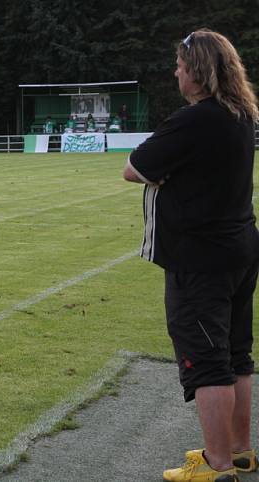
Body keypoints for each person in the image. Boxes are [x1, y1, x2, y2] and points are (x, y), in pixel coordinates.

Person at [123, 29, 259, 482]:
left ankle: (218, 466)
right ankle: (239, 452)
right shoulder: (241, 114)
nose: (175, 72)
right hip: (238, 250)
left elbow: (134, 168)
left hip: (201, 261)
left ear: (198, 71)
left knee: (208, 364)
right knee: (237, 355)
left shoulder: (196, 119)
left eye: (181, 65)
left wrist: (164, 176)